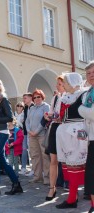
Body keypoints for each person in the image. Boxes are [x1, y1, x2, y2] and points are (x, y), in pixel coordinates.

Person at [55, 73, 87, 209]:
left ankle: (73, 198)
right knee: (70, 164)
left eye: (66, 82)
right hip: (66, 135)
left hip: (78, 133)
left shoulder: (83, 95)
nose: (64, 85)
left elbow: (87, 118)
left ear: (74, 83)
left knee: (78, 162)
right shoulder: (65, 97)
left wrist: (83, 138)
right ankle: (72, 197)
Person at [44, 75, 65, 201]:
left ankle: (71, 187)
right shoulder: (56, 97)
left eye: (59, 83)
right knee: (53, 159)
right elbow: (51, 113)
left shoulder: (70, 96)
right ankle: (52, 188)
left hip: (66, 128)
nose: (57, 85)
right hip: (55, 128)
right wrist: (48, 116)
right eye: (57, 83)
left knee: (68, 160)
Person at [78, 61, 94, 213]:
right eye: (88, 73)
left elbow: (91, 113)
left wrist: (81, 109)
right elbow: (86, 119)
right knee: (91, 174)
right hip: (91, 138)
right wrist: (83, 133)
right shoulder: (89, 92)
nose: (91, 76)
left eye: (93, 72)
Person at [26, 89, 50, 184]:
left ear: (42, 97)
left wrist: (36, 131)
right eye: (34, 97)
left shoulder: (46, 106)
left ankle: (47, 178)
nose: (36, 99)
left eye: (38, 97)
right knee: (35, 156)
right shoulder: (31, 108)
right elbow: (27, 121)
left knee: (45, 156)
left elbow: (45, 121)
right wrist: (29, 131)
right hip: (32, 136)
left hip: (42, 134)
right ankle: (37, 176)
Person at [20, 93, 34, 176]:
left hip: (31, 132)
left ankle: (33, 169)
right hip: (25, 132)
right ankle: (24, 168)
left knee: (32, 151)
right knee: (24, 150)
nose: (23, 100)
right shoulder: (25, 107)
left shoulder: (33, 107)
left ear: (30, 98)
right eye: (23, 98)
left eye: (25, 98)